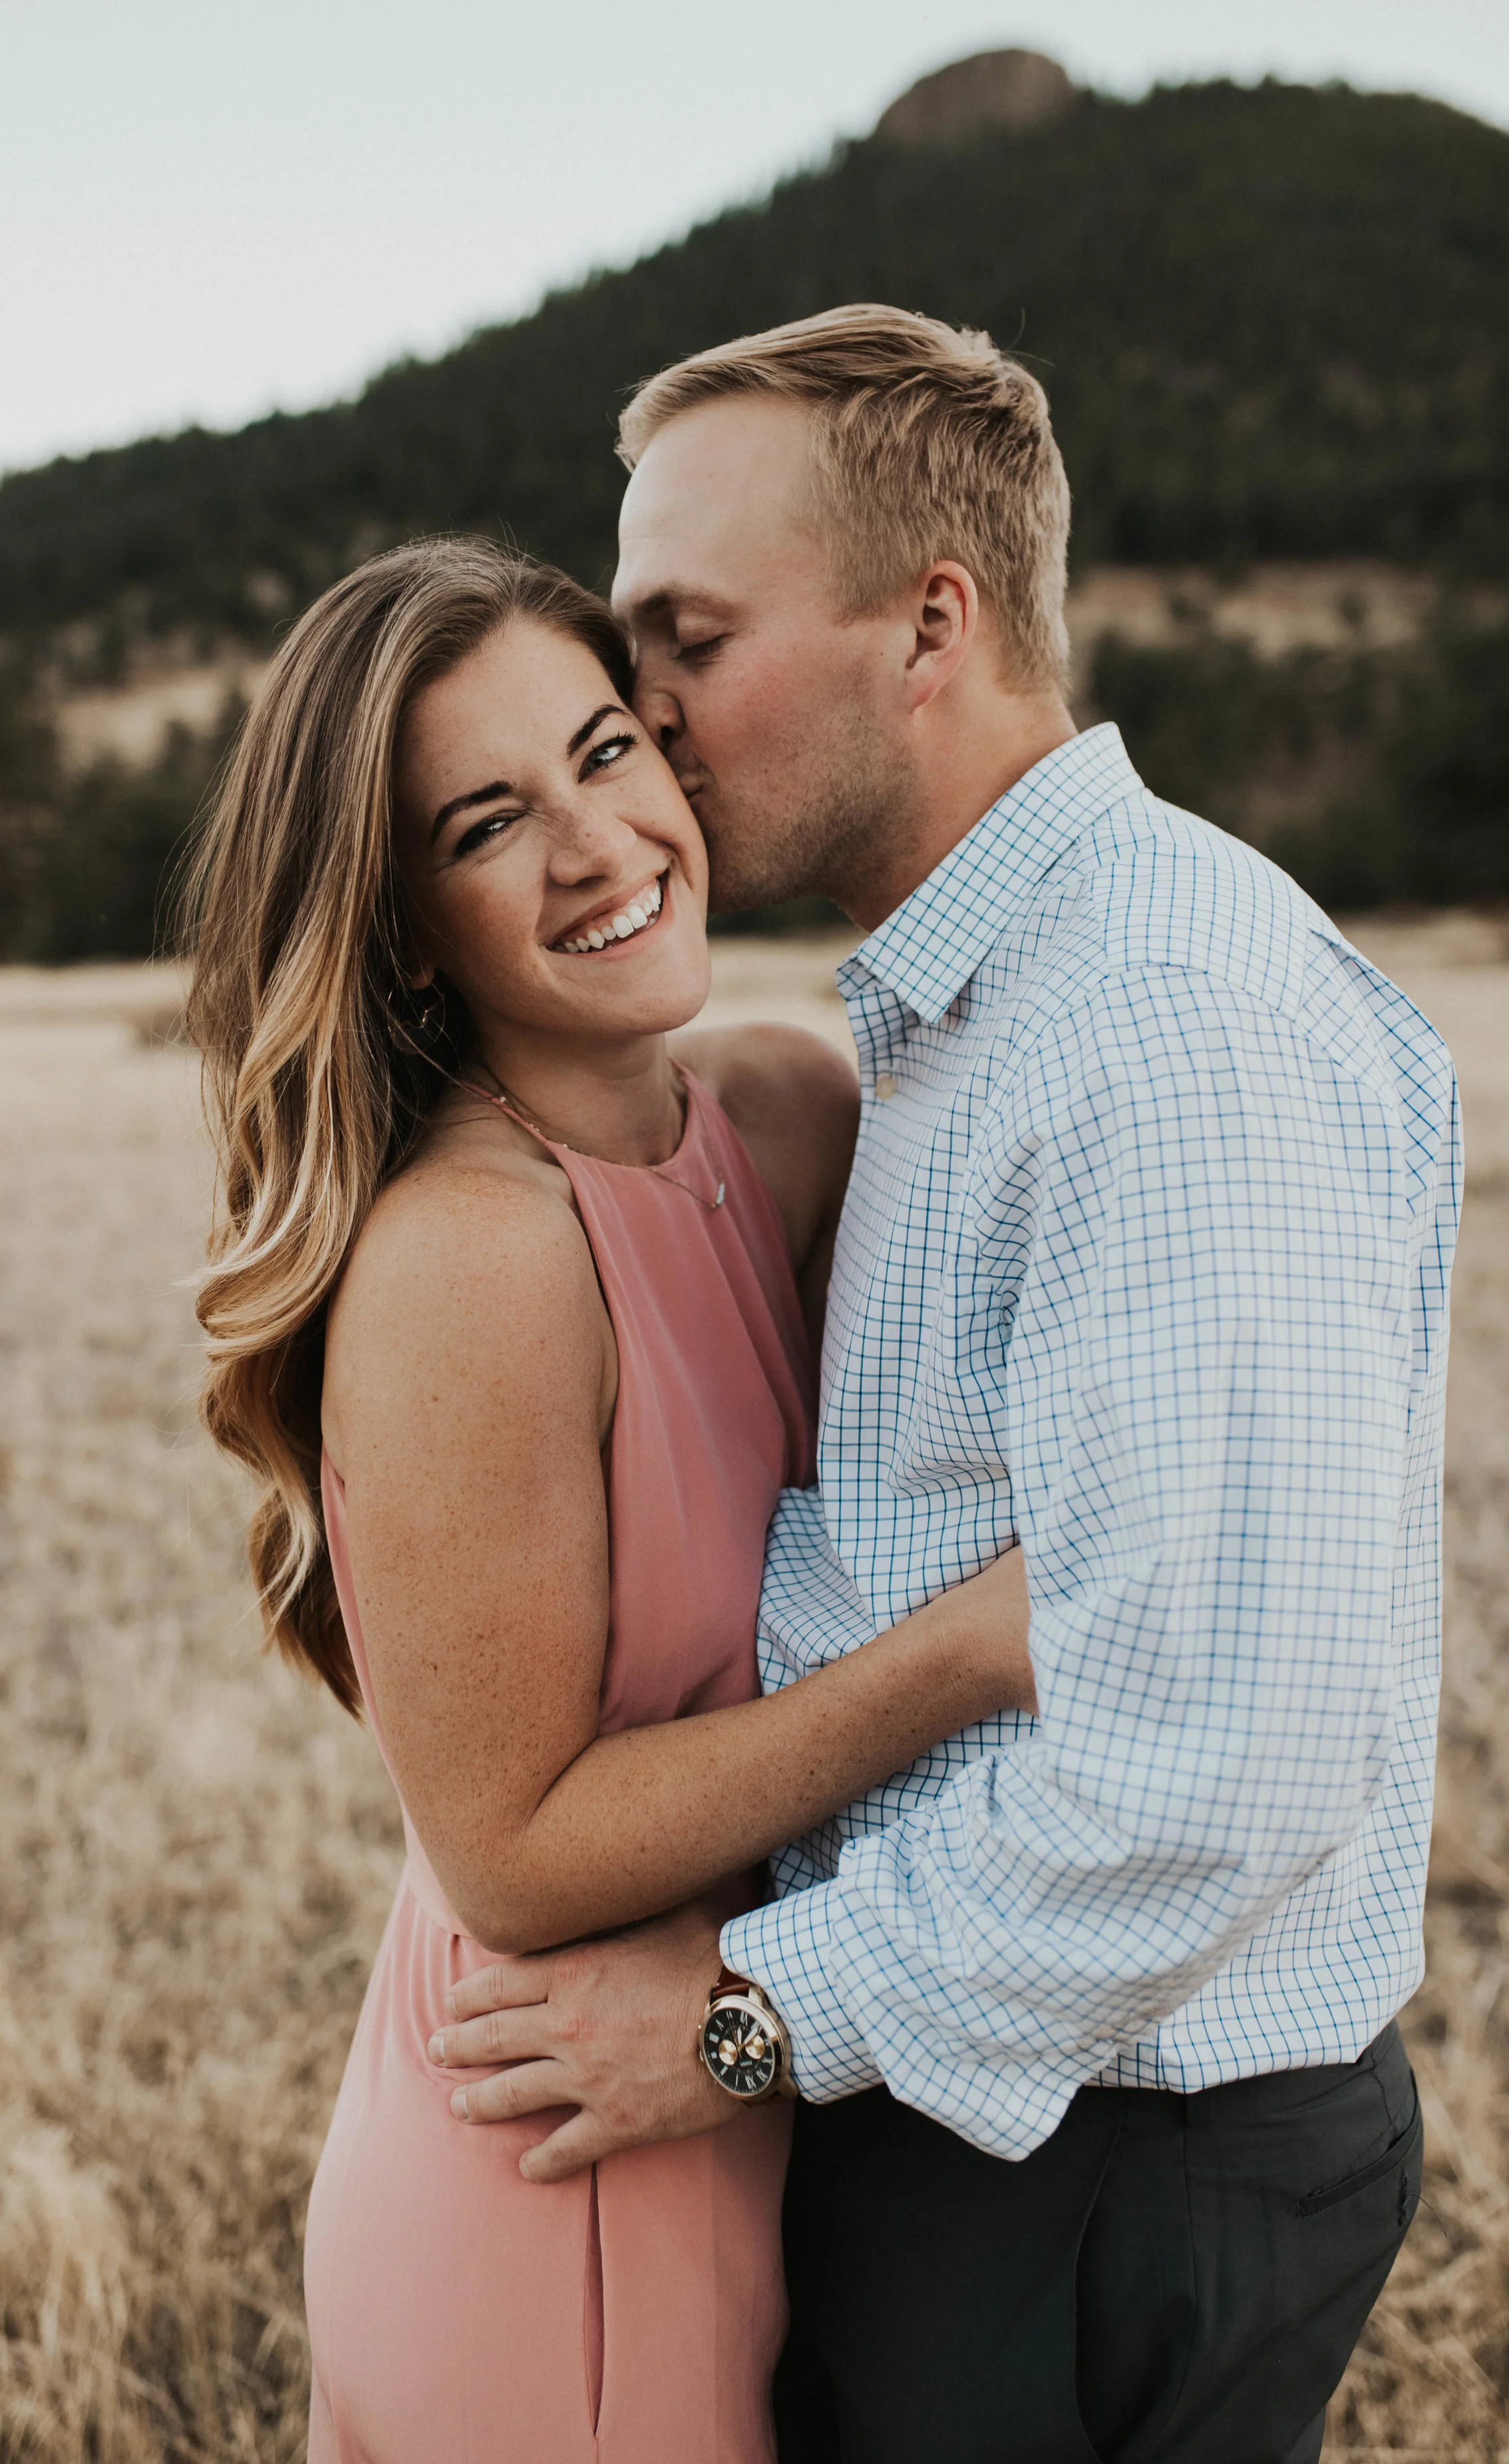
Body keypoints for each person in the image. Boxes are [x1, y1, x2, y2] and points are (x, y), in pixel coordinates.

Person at [433, 307, 1462, 2463]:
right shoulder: (974, 1006)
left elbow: (1215, 1762)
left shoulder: (1151, 1030)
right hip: (1016, 2111)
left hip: (1100, 2159)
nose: (646, 715)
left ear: (930, 623)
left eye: (686, 638)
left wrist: (738, 2025)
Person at [184, 536, 1035, 2463]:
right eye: (487, 820)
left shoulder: (778, 1111)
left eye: (601, 751)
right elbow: (511, 1847)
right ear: (401, 928)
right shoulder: (469, 1258)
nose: (594, 844)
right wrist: (969, 1653)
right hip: (560, 2173)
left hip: (736, 2094)